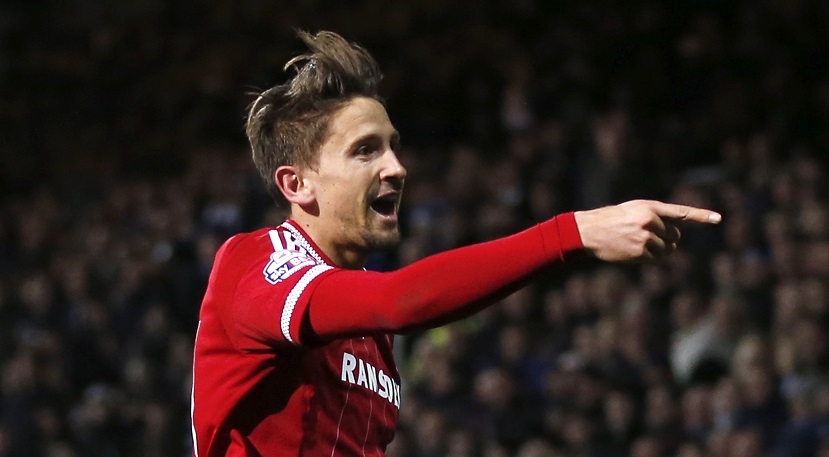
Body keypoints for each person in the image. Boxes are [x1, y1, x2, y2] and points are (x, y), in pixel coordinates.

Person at [189, 30, 722, 457]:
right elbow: (400, 301)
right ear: (297, 184)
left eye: (393, 147)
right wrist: (572, 232)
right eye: (365, 151)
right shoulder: (254, 263)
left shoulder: (371, 337)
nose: (397, 167)